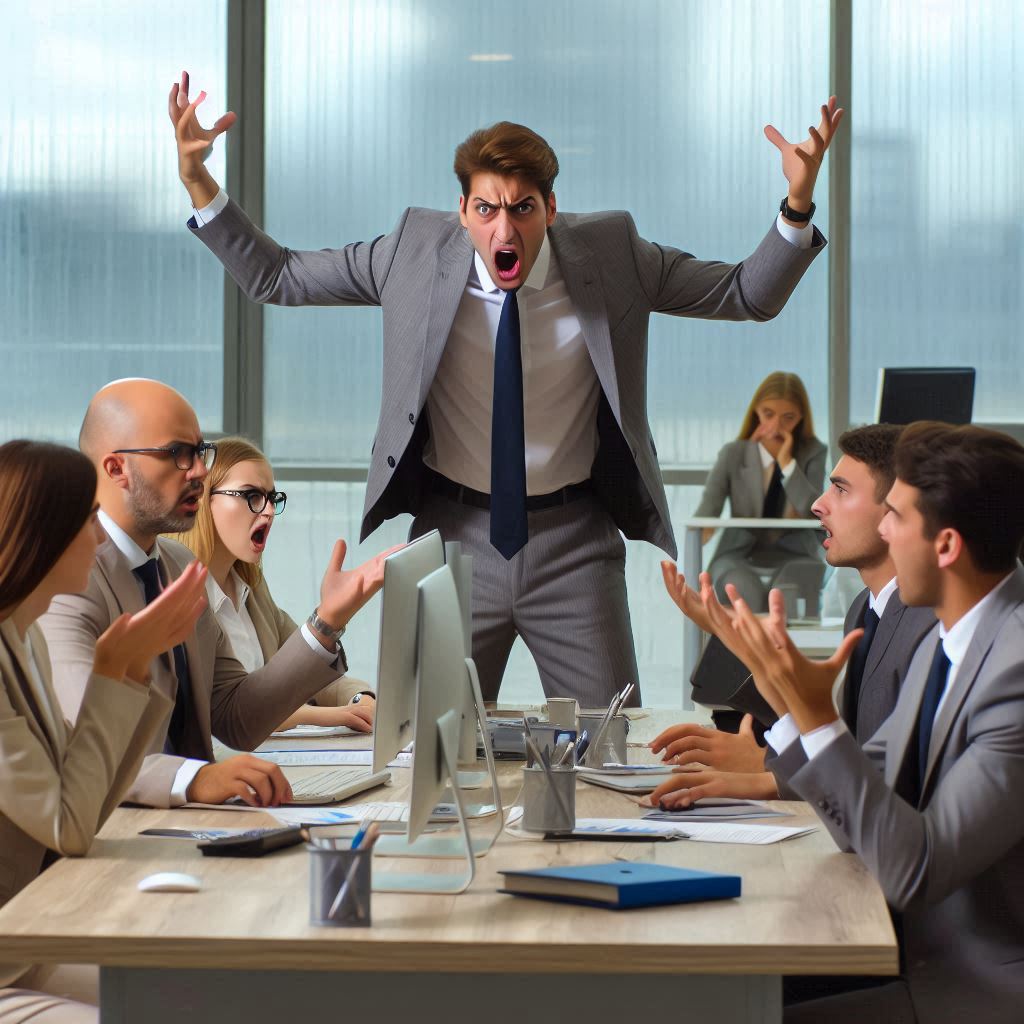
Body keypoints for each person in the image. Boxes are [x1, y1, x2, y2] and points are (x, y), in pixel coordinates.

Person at [168, 71, 843, 705]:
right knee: (427, 751)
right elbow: (278, 276)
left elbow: (746, 294)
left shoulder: (612, 253)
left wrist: (797, 205)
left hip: (575, 541)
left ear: (550, 208)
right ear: (462, 210)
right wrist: (200, 182)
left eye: (522, 208)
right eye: (487, 208)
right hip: (452, 536)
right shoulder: (410, 252)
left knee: (608, 745)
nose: (504, 227)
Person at [692, 423, 1024, 1022]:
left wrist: (815, 715)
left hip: (967, 987)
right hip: (912, 951)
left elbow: (915, 870)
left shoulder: (1014, 672)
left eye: (895, 515)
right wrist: (786, 701)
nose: (885, 532)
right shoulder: (950, 638)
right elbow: (865, 795)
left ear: (946, 546)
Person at [40, 379, 395, 810]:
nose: (200, 472)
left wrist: (327, 621)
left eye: (200, 451)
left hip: (195, 822)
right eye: (178, 453)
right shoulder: (65, 579)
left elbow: (236, 715)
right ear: (116, 469)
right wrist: (196, 779)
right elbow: (86, 748)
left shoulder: (176, 565)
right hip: (116, 829)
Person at [0, 440, 207, 1023]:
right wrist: (112, 671)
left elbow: (86, 808)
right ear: (44, 534)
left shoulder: (26, 638)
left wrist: (134, 668)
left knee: (208, 994)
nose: (98, 538)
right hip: (13, 953)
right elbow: (68, 827)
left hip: (25, 944)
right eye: (87, 520)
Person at [649, 424, 936, 807]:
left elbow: (886, 781)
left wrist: (765, 772)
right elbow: (846, 747)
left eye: (841, 490)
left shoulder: (928, 622)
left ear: (895, 508)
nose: (818, 504)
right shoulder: (863, 610)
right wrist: (735, 639)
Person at [171, 436, 376, 732]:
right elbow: (219, 711)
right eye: (252, 495)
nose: (268, 510)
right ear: (203, 499)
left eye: (272, 497)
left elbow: (308, 670)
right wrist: (331, 716)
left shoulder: (252, 591)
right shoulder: (174, 591)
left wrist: (360, 698)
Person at [694, 371, 827, 615]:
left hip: (796, 554)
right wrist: (689, 556)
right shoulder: (734, 453)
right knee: (742, 590)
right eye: (768, 414)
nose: (776, 426)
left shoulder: (813, 452)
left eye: (788, 418)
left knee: (784, 596)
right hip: (739, 554)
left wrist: (787, 465)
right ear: (756, 411)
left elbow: (814, 511)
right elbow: (707, 512)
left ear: (801, 417)